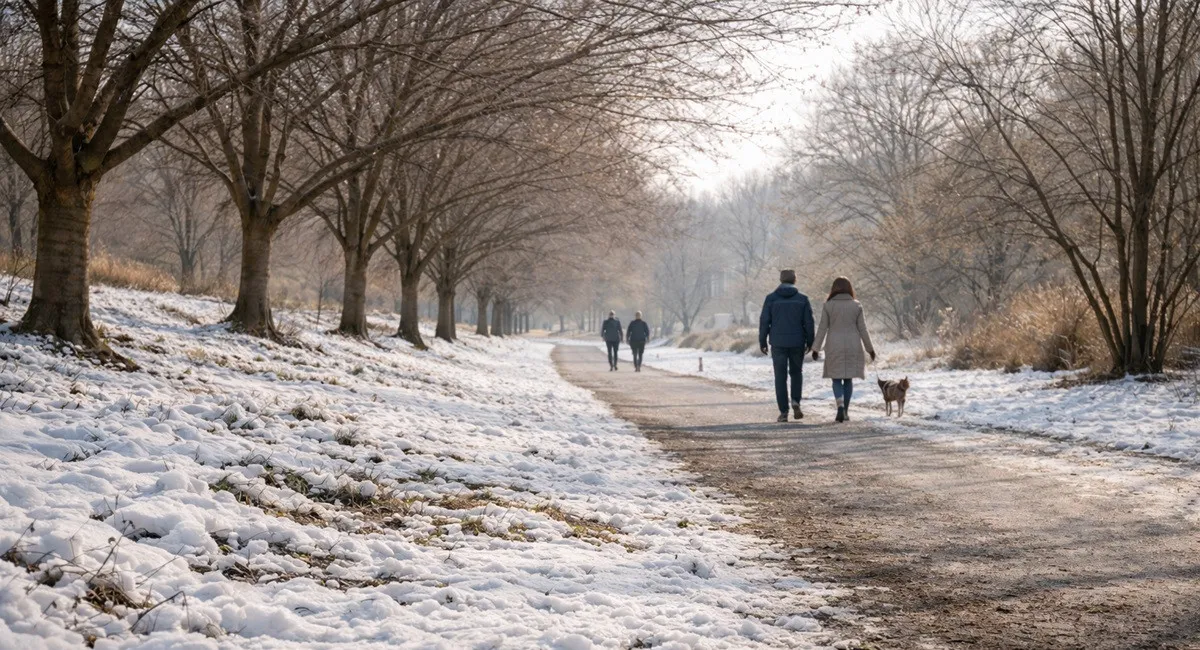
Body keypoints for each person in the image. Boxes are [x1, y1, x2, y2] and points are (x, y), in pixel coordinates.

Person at [811, 277, 876, 423]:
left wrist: (815, 348)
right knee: (848, 379)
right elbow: (863, 329)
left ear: (833, 289)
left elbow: (822, 328)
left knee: (836, 378)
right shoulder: (857, 305)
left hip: (834, 344)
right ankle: (845, 411)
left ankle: (839, 405)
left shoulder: (828, 305)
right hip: (853, 344)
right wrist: (870, 349)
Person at [758, 269, 815, 422]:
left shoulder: (771, 298)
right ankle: (796, 401)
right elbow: (809, 322)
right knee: (796, 373)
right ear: (795, 280)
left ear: (781, 280)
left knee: (780, 377)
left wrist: (762, 341)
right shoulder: (803, 299)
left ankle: (784, 411)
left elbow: (764, 321)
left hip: (778, 343)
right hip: (797, 342)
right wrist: (810, 341)